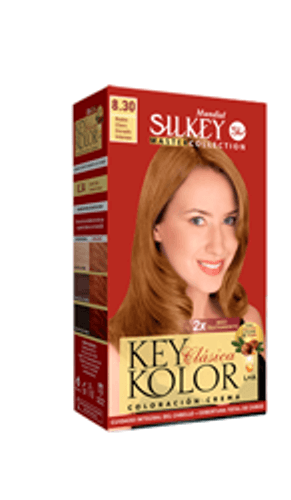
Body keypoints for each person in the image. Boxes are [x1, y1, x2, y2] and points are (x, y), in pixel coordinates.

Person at [108, 139, 264, 414]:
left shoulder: (248, 323)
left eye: (229, 221)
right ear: (156, 227)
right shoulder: (117, 353)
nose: (219, 246)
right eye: (198, 220)